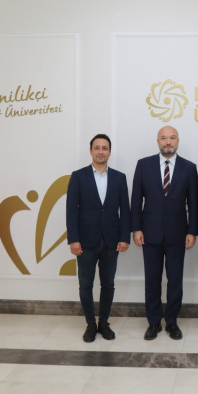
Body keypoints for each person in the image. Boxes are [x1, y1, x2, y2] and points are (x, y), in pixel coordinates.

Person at [131, 126, 198, 340]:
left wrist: (192, 231)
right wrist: (136, 228)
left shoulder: (189, 168)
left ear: (178, 140)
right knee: (152, 280)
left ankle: (171, 322)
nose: (168, 142)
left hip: (178, 234)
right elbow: (136, 200)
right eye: (163, 138)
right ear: (158, 141)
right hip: (149, 233)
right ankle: (153, 322)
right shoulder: (143, 165)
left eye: (172, 138)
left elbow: (193, 204)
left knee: (175, 281)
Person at [66, 134, 130, 343]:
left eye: (104, 148)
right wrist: (73, 239)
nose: (101, 152)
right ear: (91, 151)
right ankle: (90, 324)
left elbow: (125, 210)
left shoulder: (119, 178)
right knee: (85, 284)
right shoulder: (78, 176)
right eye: (97, 148)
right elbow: (71, 210)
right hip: (85, 241)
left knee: (108, 284)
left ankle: (103, 322)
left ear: (109, 151)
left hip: (112, 241)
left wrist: (125, 237)